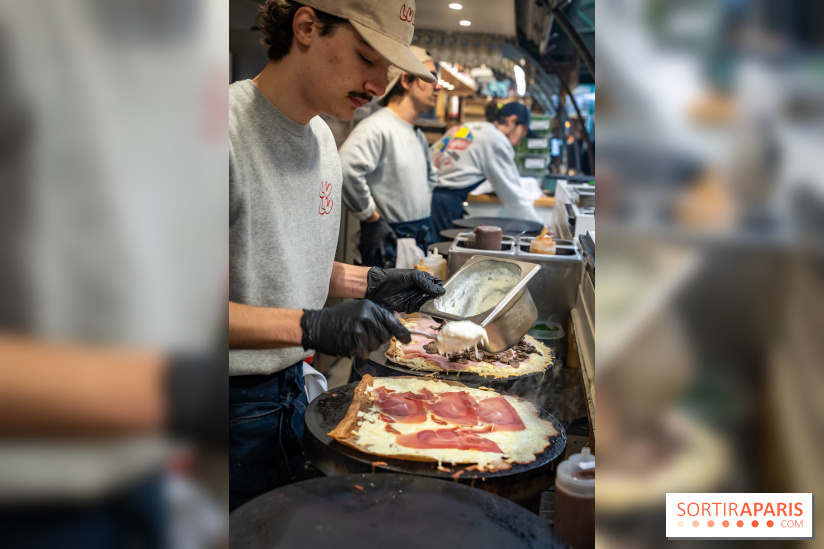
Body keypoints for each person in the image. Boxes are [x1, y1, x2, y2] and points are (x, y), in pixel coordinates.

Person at [228, 0, 444, 511]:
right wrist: (311, 327)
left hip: (291, 393)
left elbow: (276, 263)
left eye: (387, 70)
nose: (377, 84)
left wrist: (368, 282)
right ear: (306, 27)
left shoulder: (322, 139)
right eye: (367, 59)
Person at [340, 46, 442, 268]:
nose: (438, 86)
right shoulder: (377, 127)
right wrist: (371, 217)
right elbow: (346, 169)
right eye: (430, 77)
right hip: (390, 244)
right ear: (406, 80)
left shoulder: (416, 133)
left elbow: (431, 179)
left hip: (415, 240)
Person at [429, 102, 545, 236]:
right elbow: (513, 195)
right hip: (443, 206)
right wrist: (541, 228)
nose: (519, 142)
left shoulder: (468, 127)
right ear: (512, 121)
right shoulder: (497, 141)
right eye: (522, 133)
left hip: (427, 198)